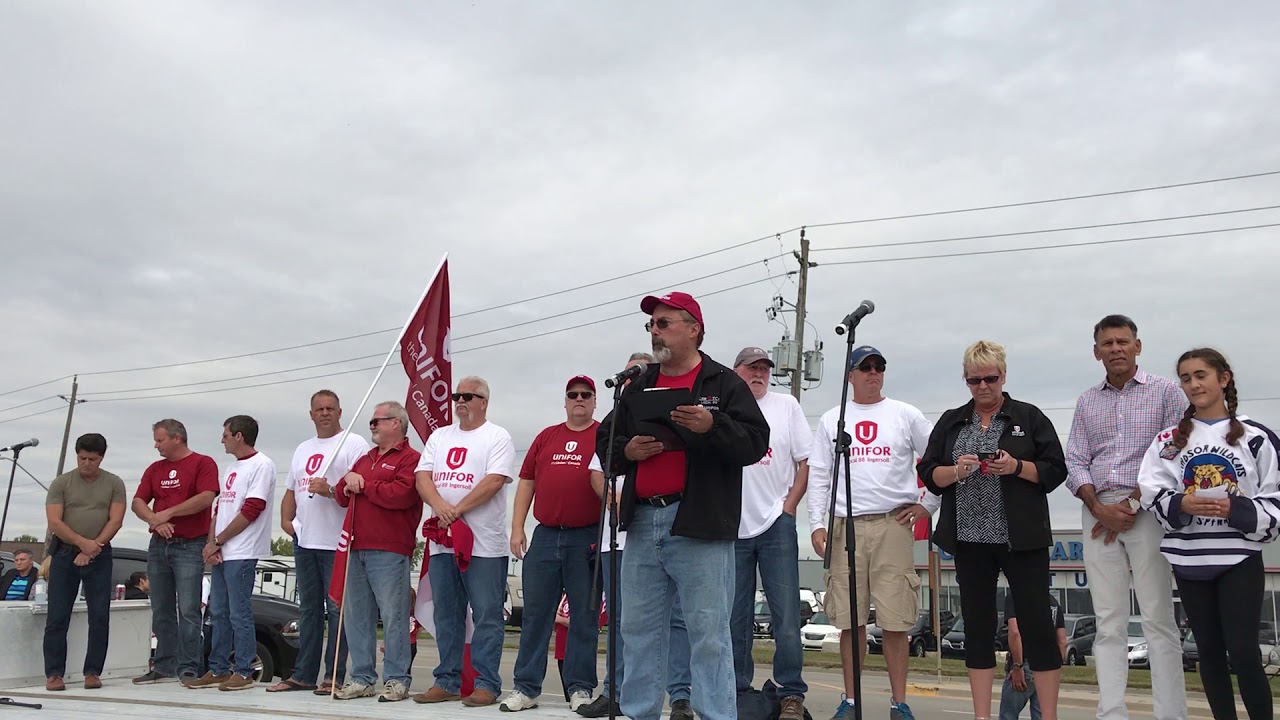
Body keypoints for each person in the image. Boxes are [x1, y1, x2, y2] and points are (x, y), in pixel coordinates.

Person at [599, 291, 770, 720]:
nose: (655, 331)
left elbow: (756, 441)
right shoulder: (638, 383)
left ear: (694, 328)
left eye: (664, 323)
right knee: (638, 630)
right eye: (651, 325)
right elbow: (606, 441)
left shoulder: (722, 382)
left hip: (699, 523)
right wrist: (627, 451)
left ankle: (715, 714)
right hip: (642, 522)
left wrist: (713, 425)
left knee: (708, 633)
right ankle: (639, 712)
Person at [919, 340, 1067, 720]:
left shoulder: (1029, 417)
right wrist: (958, 471)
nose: (983, 386)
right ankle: (982, 716)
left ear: (1003, 376)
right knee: (979, 630)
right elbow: (930, 475)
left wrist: (1017, 466)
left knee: (1037, 626)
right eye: (974, 380)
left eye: (990, 378)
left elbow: (1054, 470)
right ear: (966, 380)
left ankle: (1048, 714)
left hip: (1022, 539)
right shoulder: (953, 420)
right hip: (969, 540)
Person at [1138, 348, 1280, 720]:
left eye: (1201, 375)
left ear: (1224, 379)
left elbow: (1275, 497)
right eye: (1185, 378)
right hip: (1189, 561)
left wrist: (1239, 509)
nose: (1193, 384)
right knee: (1208, 652)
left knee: (1244, 651)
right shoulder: (1170, 439)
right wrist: (1181, 505)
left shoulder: (1256, 437)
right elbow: (1151, 489)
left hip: (1239, 558)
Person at [1064, 314, 1187, 720]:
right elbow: (1076, 460)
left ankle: (1171, 713)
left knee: (1157, 617)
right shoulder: (1087, 401)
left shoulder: (1167, 393)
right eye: (1107, 343)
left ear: (1138, 346)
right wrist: (1099, 508)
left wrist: (1132, 506)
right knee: (1109, 620)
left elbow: (1176, 452)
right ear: (1096, 352)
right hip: (1097, 512)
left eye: (1123, 341)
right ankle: (1111, 711)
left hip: (1148, 510)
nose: (1115, 348)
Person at [808, 346, 938, 720]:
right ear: (850, 375)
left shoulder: (905, 414)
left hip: (892, 523)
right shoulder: (834, 418)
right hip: (845, 524)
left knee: (895, 620)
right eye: (865, 367)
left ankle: (900, 703)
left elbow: (935, 463)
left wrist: (926, 505)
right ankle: (850, 700)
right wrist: (817, 524)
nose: (873, 373)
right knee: (850, 620)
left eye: (879, 367)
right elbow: (820, 475)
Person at [578, 352, 695, 720]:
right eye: (632, 375)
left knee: (675, 619)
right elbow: (598, 470)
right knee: (624, 620)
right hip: (622, 534)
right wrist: (612, 498)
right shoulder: (619, 417)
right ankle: (616, 692)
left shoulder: (675, 409)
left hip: (669, 526)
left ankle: (680, 696)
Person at [502, 375, 605, 712]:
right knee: (535, 615)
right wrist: (518, 528)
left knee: (584, 617)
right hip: (545, 534)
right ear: (565, 401)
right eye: (572, 394)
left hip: (587, 536)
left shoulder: (603, 434)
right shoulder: (547, 437)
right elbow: (527, 483)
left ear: (593, 401)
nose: (579, 399)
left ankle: (579, 688)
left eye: (585, 395)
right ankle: (526, 688)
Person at [414, 377, 516, 708]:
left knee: (486, 613)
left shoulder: (497, 436)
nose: (459, 400)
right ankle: (447, 679)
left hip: (484, 546)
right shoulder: (439, 436)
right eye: (457, 395)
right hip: (443, 544)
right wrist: (442, 508)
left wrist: (456, 509)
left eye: (467, 396)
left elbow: (494, 481)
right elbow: (422, 477)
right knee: (447, 612)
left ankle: (487, 683)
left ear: (484, 401)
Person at [269, 389, 370, 695]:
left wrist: (329, 490)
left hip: (337, 541)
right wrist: (288, 523)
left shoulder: (354, 444)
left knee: (338, 609)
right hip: (306, 540)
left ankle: (334, 675)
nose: (325, 413)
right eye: (319, 409)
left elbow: (359, 488)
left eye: (330, 408)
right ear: (311, 415)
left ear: (340, 412)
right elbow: (292, 491)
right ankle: (303, 674)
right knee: (308, 610)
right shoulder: (302, 449)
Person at [729, 346, 812, 720]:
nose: (759, 374)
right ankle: (734, 689)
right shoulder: (726, 406)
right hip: (732, 525)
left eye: (764, 369)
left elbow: (806, 460)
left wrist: (790, 506)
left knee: (786, 615)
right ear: (737, 372)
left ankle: (791, 692)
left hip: (776, 523)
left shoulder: (786, 405)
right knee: (735, 616)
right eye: (752, 368)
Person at [332, 401, 423, 702]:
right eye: (371, 422)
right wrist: (346, 482)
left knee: (394, 615)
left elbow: (402, 494)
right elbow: (341, 495)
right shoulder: (365, 458)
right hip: (355, 545)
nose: (372, 426)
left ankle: (397, 679)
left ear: (396, 423)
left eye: (377, 421)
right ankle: (362, 677)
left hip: (389, 548)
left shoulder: (411, 459)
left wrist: (364, 486)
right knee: (356, 615)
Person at [186, 415, 276, 691]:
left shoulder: (262, 465)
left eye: (225, 434)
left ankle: (245, 669)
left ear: (239, 435)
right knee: (219, 612)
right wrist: (211, 542)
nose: (221, 439)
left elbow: (252, 509)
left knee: (239, 612)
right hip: (223, 550)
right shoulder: (232, 467)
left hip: (243, 549)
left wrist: (220, 540)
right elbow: (219, 509)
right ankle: (218, 668)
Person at [131, 418, 219, 685]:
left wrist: (167, 512)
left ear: (177, 438)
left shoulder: (203, 463)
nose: (156, 445)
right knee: (161, 607)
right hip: (159, 545)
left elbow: (206, 496)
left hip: (190, 544)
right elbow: (137, 502)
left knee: (190, 608)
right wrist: (154, 520)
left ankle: (189, 666)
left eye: (160, 440)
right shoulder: (155, 469)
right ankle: (164, 664)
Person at [42, 433, 127, 692]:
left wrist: (93, 548)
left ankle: (93, 671)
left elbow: (116, 520)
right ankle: (54, 673)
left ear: (101, 458)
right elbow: (55, 521)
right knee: (57, 616)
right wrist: (81, 543)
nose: (86, 463)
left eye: (92, 459)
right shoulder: (62, 482)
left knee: (99, 615)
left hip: (100, 553)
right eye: (82, 458)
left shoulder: (114, 483)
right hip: (65, 553)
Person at [998, 592, 1067, 720]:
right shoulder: (1052, 602)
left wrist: (1018, 666)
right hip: (1048, 668)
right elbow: (1062, 641)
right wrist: (1055, 670)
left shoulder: (1014, 597)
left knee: (1008, 715)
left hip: (1025, 665)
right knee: (1043, 715)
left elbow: (1014, 632)